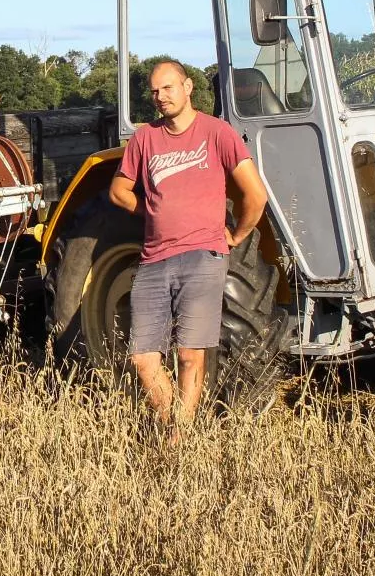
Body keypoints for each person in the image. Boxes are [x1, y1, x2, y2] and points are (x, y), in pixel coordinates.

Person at [108, 59, 270, 433]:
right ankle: (177, 427)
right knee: (143, 358)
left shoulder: (217, 133)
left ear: (187, 87)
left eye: (167, 88)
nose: (160, 97)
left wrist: (239, 234)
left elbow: (255, 194)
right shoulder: (145, 138)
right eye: (154, 91)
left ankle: (178, 439)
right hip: (153, 257)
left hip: (203, 254)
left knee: (189, 354)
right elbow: (118, 190)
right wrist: (149, 209)